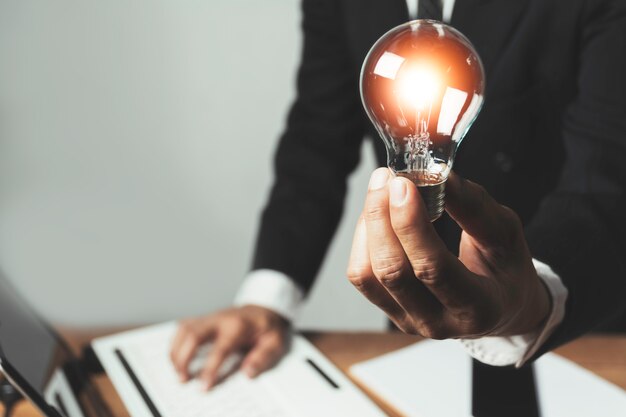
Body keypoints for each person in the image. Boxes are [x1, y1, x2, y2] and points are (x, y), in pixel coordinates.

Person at [170, 0, 626, 390]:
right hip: (419, 320)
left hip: (580, 321)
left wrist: (530, 295)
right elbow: (317, 138)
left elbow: (609, 175)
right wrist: (267, 298)